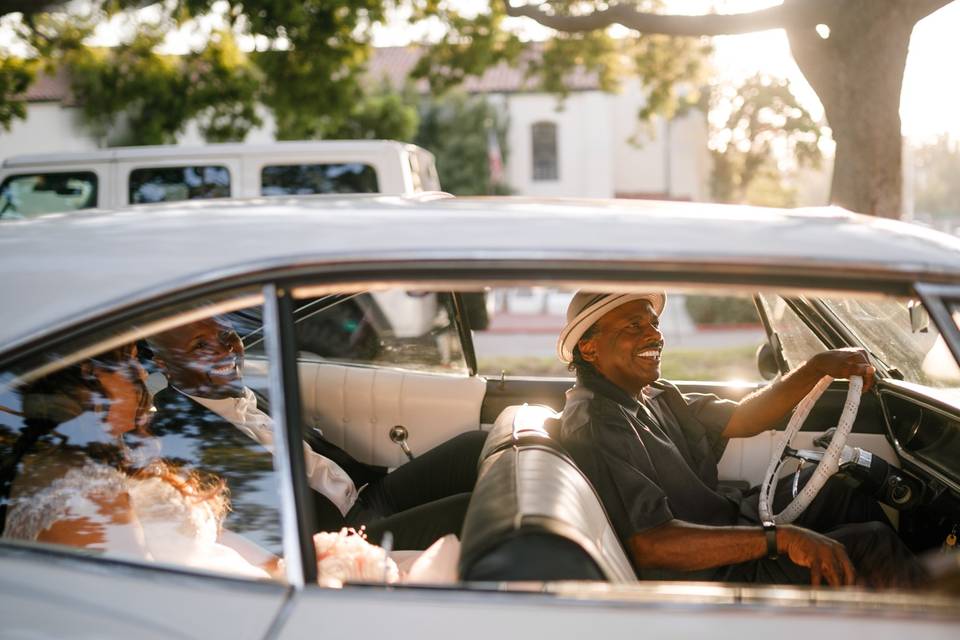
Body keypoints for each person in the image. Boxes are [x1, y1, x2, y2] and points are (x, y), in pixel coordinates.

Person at [556, 291, 925, 588]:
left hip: (728, 523)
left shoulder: (653, 395)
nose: (654, 335)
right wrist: (780, 540)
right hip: (707, 577)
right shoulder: (597, 422)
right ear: (588, 348)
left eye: (653, 323)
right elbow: (653, 545)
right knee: (871, 543)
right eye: (634, 326)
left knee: (841, 493)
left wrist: (817, 367)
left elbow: (743, 418)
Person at [147, 316, 486, 550]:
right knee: (475, 510)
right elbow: (255, 525)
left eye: (225, 336)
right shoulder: (177, 431)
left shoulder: (238, 391)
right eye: (199, 347)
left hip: (366, 494)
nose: (223, 351)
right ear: (164, 365)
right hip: (337, 535)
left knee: (476, 447)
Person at [2, 344, 278, 579]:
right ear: (90, 376)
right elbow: (141, 600)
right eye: (130, 359)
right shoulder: (80, 495)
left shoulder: (115, 455)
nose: (143, 372)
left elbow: (209, 537)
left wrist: (278, 569)